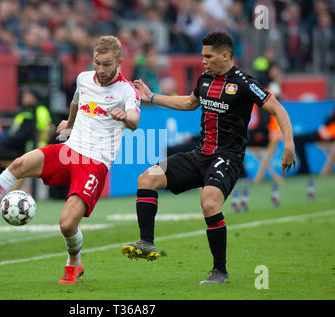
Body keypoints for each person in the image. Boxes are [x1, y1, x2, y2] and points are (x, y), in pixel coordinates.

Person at [0, 35, 141, 284]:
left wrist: (125, 118)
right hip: (70, 150)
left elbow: (134, 120)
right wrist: (69, 123)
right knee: (18, 165)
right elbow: (76, 103)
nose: (101, 70)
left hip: (95, 162)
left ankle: (74, 264)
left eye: (107, 65)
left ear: (119, 62)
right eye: (97, 63)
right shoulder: (83, 79)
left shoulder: (126, 90)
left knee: (67, 225)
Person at [121, 32, 296, 284]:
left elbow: (277, 108)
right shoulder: (204, 79)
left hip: (228, 157)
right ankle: (146, 242)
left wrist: (288, 144)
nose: (203, 61)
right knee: (147, 179)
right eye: (203, 55)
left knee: (209, 202)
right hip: (199, 154)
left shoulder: (245, 83)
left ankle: (220, 271)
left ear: (225, 55)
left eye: (208, 56)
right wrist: (152, 97)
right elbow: (189, 103)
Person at [0, 89, 52, 182]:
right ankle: (1, 182)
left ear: (34, 97)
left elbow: (29, 134)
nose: (23, 97)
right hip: (24, 147)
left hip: (31, 150)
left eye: (27, 95)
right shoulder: (27, 111)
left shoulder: (38, 111)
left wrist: (3, 143)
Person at [294, 109, 335, 175]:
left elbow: (329, 120)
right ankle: (304, 168)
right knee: (297, 139)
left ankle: (304, 169)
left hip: (329, 134)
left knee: (297, 139)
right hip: (326, 132)